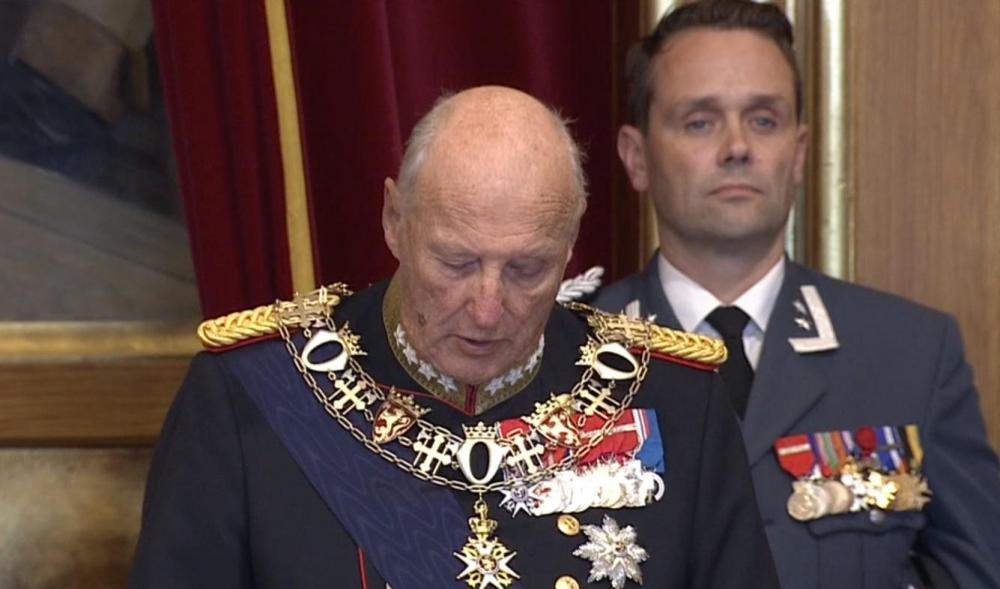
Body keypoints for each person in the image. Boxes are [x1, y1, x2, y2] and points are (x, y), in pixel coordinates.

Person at [128, 86, 779, 589]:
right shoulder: (251, 397)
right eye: (456, 263)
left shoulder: (674, 400)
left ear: (569, 247)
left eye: (526, 270)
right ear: (394, 221)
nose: (487, 310)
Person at [594, 1, 1000, 587]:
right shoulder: (570, 350)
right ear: (637, 158)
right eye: (700, 122)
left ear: (801, 152)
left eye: (764, 120)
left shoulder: (910, 355)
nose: (738, 147)